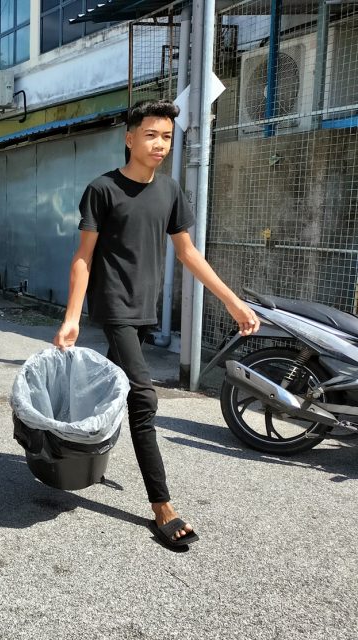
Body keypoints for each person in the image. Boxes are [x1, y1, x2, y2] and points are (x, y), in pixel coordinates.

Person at [53, 99, 261, 549]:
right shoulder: (102, 189)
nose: (160, 144)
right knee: (143, 398)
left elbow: (188, 254)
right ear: (129, 137)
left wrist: (232, 301)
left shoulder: (169, 192)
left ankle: (62, 447)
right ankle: (162, 505)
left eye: (167, 136)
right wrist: (72, 317)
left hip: (144, 307)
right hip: (113, 306)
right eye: (151, 134)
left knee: (106, 388)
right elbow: (83, 258)